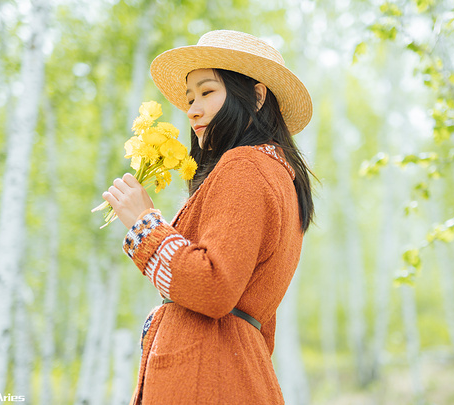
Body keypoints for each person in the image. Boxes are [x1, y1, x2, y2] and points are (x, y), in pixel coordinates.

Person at [101, 30, 314, 404]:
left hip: (206, 377)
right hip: (232, 371)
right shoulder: (277, 175)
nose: (193, 109)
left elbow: (214, 287)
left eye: (207, 92)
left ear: (258, 96)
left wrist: (144, 226)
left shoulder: (245, 166)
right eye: (189, 98)